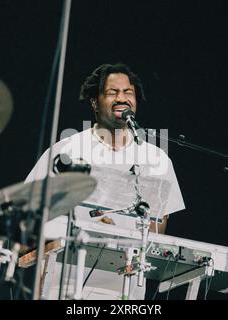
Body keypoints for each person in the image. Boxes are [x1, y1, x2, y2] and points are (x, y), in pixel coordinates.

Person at [25, 63, 185, 300]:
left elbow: (160, 222)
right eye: (112, 92)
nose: (122, 98)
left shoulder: (157, 158)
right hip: (64, 281)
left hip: (126, 286)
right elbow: (30, 210)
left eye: (128, 92)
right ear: (94, 101)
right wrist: (92, 228)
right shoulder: (66, 150)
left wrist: (125, 232)